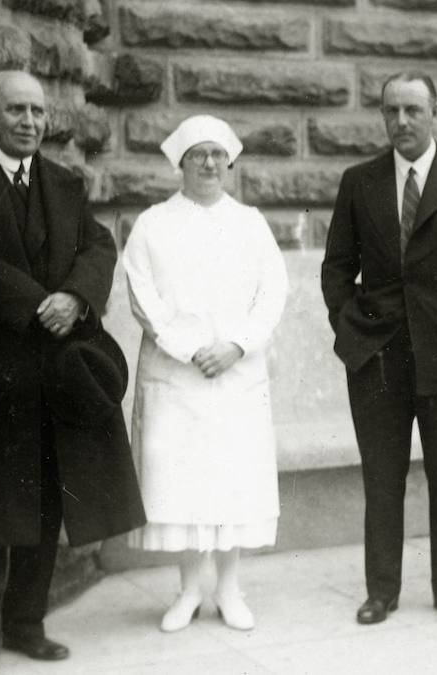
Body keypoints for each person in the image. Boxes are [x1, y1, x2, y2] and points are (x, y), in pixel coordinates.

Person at [0, 70, 145, 675]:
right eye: (16, 110)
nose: (29, 122)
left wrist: (74, 296)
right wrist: (35, 303)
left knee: (46, 504)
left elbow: (99, 247)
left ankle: (27, 625)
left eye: (38, 112)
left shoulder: (64, 183)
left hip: (53, 375)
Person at [321, 71, 437, 625]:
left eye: (412, 109)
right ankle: (381, 591)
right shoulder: (359, 181)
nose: (400, 121)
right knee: (382, 479)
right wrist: (351, 330)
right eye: (390, 111)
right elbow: (336, 270)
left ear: (436, 111)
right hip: (376, 358)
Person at [123, 115, 288, 633]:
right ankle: (191, 589)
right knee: (182, 480)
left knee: (232, 478)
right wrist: (191, 348)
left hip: (236, 374)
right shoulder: (153, 224)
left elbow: (272, 293)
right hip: (178, 374)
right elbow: (143, 296)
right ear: (181, 162)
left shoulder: (251, 223)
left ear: (230, 161)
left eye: (219, 154)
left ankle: (230, 588)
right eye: (199, 154)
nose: (210, 163)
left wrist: (236, 345)